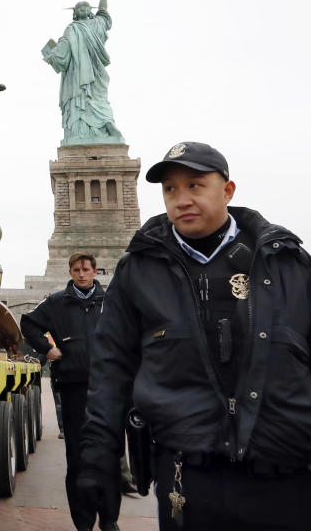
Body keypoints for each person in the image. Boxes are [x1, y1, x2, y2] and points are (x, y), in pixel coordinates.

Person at [79, 142, 311, 531]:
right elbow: (111, 370)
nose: (181, 199)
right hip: (189, 479)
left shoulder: (289, 263)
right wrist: (97, 458)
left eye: (195, 185)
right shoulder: (139, 271)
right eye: (170, 189)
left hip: (285, 476)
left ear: (228, 190)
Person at [21, 253, 121, 531]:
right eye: (76, 270)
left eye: (85, 269)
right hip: (74, 389)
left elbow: (131, 332)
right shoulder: (56, 302)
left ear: (94, 271)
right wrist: (47, 348)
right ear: (70, 271)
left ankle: (109, 519)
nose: (81, 274)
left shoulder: (111, 302)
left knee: (109, 454)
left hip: (107, 390)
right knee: (78, 458)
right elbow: (28, 323)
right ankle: (84, 522)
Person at [42, 0, 124, 146]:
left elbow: (103, 12)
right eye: (79, 8)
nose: (83, 9)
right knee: (84, 99)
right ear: (74, 13)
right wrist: (53, 56)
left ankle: (107, 124)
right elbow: (62, 55)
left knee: (97, 98)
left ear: (89, 11)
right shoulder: (71, 29)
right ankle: (86, 130)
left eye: (85, 7)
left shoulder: (96, 24)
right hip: (77, 72)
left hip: (94, 71)